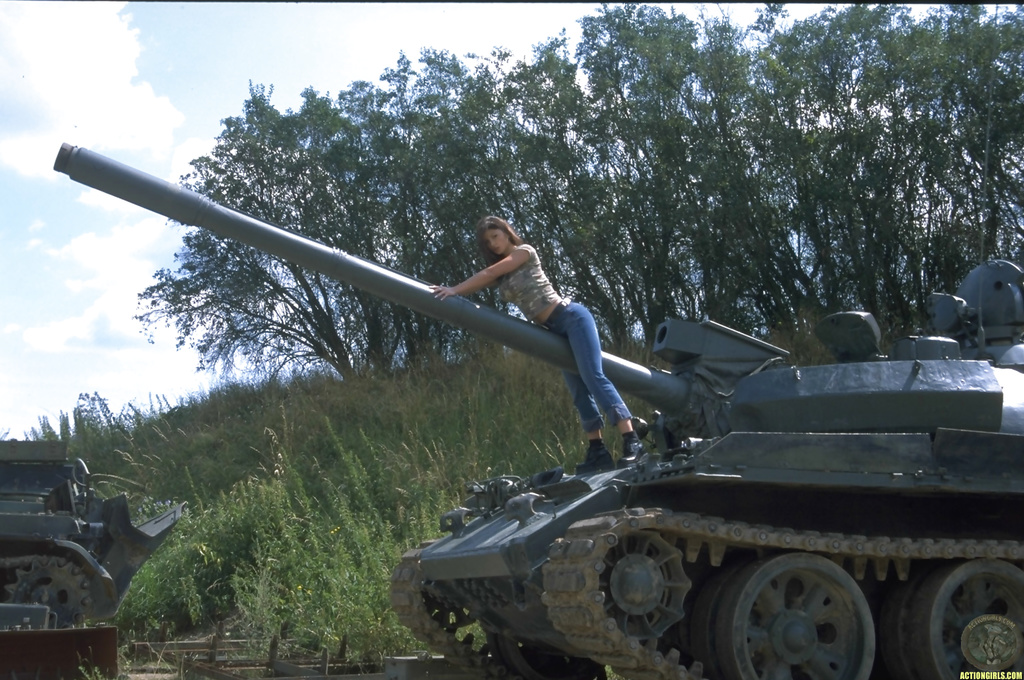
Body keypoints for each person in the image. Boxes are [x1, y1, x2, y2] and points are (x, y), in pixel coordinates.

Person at [430, 215, 646, 474]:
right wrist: (456, 293)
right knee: (578, 390)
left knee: (592, 376)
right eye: (487, 242)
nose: (493, 244)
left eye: (495, 237)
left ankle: (631, 440)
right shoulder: (503, 273)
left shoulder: (524, 252)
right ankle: (597, 450)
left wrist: (453, 289)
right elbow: (486, 279)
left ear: (507, 233)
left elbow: (489, 272)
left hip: (571, 318)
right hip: (551, 332)